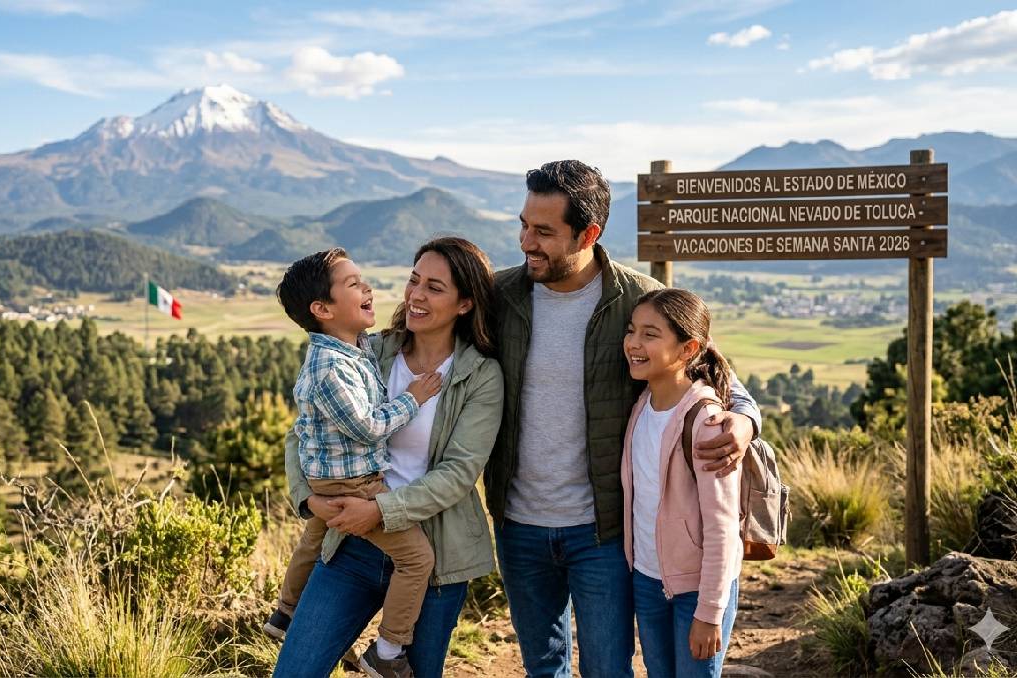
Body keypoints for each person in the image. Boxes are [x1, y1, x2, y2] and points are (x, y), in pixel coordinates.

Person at [483, 160, 761, 678]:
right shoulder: (498, 298)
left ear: (589, 233)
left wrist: (743, 424)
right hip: (518, 524)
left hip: (604, 530)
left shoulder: (639, 300)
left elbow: (723, 379)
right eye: (523, 225)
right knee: (542, 669)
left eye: (544, 231)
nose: (526, 241)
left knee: (608, 669)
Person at [274, 237, 503, 678]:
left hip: (434, 554)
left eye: (435, 288)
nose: (416, 295)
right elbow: (300, 433)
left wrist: (378, 510)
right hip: (351, 546)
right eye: (414, 280)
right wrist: (309, 501)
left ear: (465, 303)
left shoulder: (481, 375)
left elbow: (459, 473)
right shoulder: (369, 351)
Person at [622, 289, 743, 677]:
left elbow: (723, 529)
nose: (634, 344)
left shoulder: (707, 424)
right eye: (631, 331)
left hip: (696, 590)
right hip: (647, 578)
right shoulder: (641, 406)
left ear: (688, 348)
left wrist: (710, 610)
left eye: (650, 334)